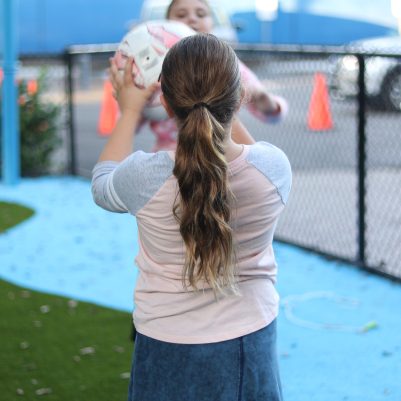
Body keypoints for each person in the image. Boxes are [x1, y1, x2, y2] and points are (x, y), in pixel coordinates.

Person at [92, 33, 291, 401]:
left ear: (165, 103)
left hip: (167, 342)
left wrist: (131, 109)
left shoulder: (145, 177)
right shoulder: (273, 169)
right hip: (251, 338)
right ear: (241, 97)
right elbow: (243, 150)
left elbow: (103, 184)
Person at [113, 0, 288, 151]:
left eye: (201, 14)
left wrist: (268, 103)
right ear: (166, 24)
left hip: (221, 155)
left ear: (212, 22)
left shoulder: (226, 62)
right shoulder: (151, 70)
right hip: (170, 158)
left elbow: (270, 109)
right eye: (181, 14)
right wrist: (129, 106)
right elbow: (130, 122)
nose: (192, 18)